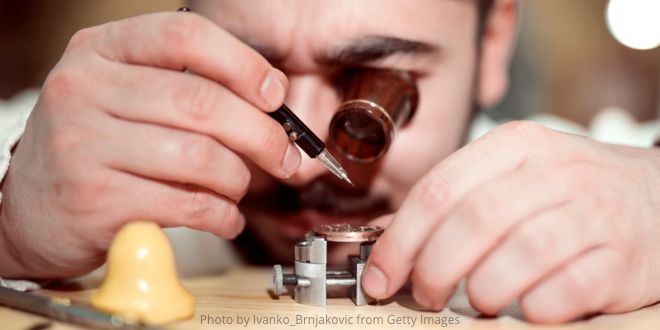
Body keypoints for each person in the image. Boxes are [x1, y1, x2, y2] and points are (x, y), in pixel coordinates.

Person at [0, 0, 659, 324]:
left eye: (374, 85)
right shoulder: (68, 150)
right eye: (249, 78)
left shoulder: (595, 185)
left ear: (491, 45)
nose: (310, 162)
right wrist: (9, 233)